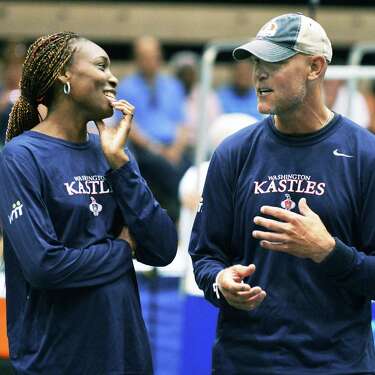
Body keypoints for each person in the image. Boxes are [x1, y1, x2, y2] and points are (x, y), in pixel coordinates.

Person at [189, 13, 375, 374]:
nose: (259, 72)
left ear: (315, 67)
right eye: (258, 61)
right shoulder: (233, 153)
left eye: (274, 61)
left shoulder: (365, 155)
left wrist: (329, 252)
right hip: (245, 361)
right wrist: (220, 283)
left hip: (335, 364)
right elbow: (205, 257)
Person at [0, 32, 177, 374]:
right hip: (58, 360)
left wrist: (121, 166)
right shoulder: (21, 157)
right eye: (101, 65)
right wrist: (121, 251)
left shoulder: (111, 153)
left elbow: (162, 248)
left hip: (125, 354)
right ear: (64, 74)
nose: (113, 77)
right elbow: (44, 265)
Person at [113, 36, 191, 222]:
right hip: (145, 149)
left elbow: (182, 124)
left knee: (191, 169)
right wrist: (157, 149)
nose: (150, 61)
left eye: (154, 56)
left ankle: (181, 220)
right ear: (137, 59)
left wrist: (176, 149)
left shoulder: (173, 85)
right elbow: (127, 125)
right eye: (144, 57)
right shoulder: (126, 87)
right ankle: (176, 219)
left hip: (174, 148)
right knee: (167, 170)